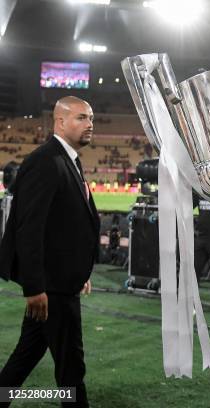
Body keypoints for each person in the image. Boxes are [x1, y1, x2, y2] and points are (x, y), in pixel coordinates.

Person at [0, 96, 100, 407]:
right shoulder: (46, 160)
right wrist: (35, 286)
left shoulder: (68, 159)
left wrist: (79, 272)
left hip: (61, 282)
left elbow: (66, 227)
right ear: (60, 122)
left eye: (91, 118)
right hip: (51, 288)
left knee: (27, 356)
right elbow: (29, 229)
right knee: (71, 368)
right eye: (81, 118)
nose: (90, 124)